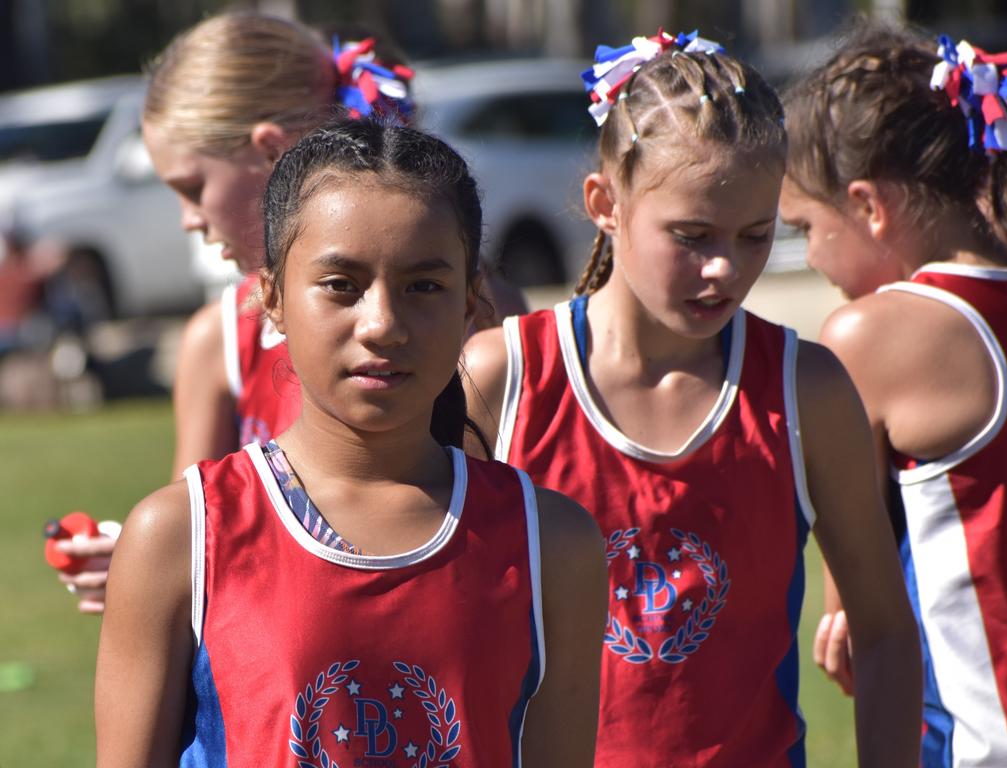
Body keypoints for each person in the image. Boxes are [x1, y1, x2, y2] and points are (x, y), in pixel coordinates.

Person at [463, 29, 922, 767]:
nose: (724, 269)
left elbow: (887, 633)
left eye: (755, 236)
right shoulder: (504, 377)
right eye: (692, 234)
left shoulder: (805, 390)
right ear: (604, 203)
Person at [95, 120, 607, 768]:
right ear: (273, 299)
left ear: (470, 303)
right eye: (342, 284)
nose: (383, 324)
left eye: (424, 285)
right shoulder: (179, 536)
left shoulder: (551, 544)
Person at [55, 13, 526, 612]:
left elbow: (511, 547)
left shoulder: (478, 318)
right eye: (340, 287)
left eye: (194, 186)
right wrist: (137, 567)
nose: (188, 218)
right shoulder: (219, 338)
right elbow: (198, 544)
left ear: (271, 153)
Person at [778, 22, 1007, 765]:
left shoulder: (877, 334)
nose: (810, 256)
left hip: (989, 740)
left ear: (869, 205)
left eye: (804, 228)